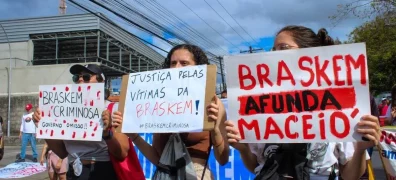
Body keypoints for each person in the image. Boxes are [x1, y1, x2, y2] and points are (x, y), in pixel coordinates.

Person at [225, 26, 381, 180]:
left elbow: (349, 176)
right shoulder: (262, 108)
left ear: (309, 53)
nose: (274, 54)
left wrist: (360, 149)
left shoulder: (337, 107)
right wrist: (244, 149)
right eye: (274, 50)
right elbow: (257, 168)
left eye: (283, 48)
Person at [118, 44, 229, 180]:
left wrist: (215, 129)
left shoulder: (212, 103)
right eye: (173, 63)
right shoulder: (160, 105)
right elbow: (157, 158)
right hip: (164, 174)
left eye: (184, 63)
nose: (177, 68)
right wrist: (134, 136)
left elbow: (223, 159)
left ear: (198, 67)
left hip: (197, 173)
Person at [32, 64, 129, 180]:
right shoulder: (67, 111)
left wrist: (107, 133)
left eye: (87, 77)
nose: (81, 79)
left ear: (101, 81)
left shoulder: (113, 109)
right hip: (73, 171)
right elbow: (62, 152)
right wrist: (44, 127)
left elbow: (122, 153)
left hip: (102, 170)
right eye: (76, 77)